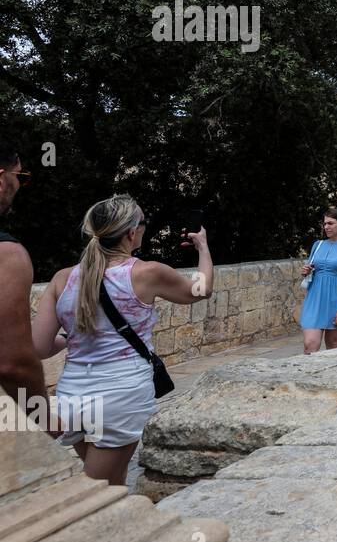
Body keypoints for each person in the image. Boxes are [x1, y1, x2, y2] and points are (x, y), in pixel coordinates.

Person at [30, 195, 214, 486]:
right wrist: (202, 247)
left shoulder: (62, 279)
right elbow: (201, 290)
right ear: (131, 232)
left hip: (73, 397)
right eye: (143, 223)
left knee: (114, 483)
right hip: (121, 396)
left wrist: (70, 338)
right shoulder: (147, 272)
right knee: (95, 493)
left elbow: (38, 347)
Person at [0, 144, 54, 432]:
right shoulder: (7, 255)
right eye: (20, 176)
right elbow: (13, 363)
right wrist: (45, 420)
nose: (19, 185)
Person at [299, 207, 337, 354]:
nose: (326, 227)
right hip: (314, 299)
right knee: (310, 344)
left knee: (333, 345)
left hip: (336, 300)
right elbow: (310, 269)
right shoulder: (318, 245)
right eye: (325, 223)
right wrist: (305, 271)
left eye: (330, 223)